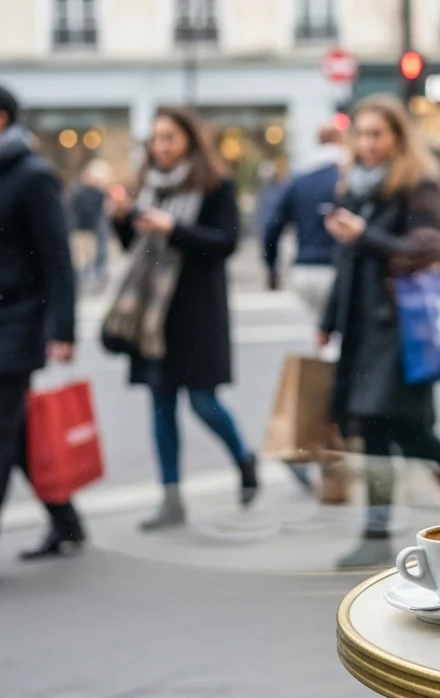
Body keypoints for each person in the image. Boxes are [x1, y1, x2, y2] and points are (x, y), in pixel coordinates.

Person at [321, 95, 440, 570]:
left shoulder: (418, 185)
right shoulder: (354, 186)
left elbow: (424, 249)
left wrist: (364, 236)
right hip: (362, 327)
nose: (368, 143)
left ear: (397, 137)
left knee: (388, 423)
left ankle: (378, 529)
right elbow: (346, 264)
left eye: (378, 134)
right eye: (362, 134)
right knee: (398, 426)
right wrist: (327, 321)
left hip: (403, 327)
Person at [106, 106, 259, 532]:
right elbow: (133, 245)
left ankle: (244, 459)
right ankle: (171, 499)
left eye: (170, 137)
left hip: (197, 311)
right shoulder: (148, 185)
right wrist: (119, 219)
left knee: (204, 402)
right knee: (160, 405)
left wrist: (174, 228)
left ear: (190, 139)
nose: (162, 146)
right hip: (153, 315)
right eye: (156, 138)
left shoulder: (215, 184)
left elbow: (225, 242)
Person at [0, 84, 86, 560]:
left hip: (17, 323)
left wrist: (64, 330)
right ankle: (65, 520)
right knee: (17, 433)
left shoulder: (33, 176)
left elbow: (58, 258)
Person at [263, 127, 347, 314]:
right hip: (340, 267)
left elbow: (272, 226)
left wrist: (271, 267)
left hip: (305, 268)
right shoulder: (346, 176)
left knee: (320, 329)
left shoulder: (299, 180)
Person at [68, 158, 112, 291]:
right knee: (81, 259)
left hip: (92, 229)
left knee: (92, 257)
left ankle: (93, 281)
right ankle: (82, 281)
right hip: (80, 229)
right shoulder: (78, 190)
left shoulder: (98, 192)